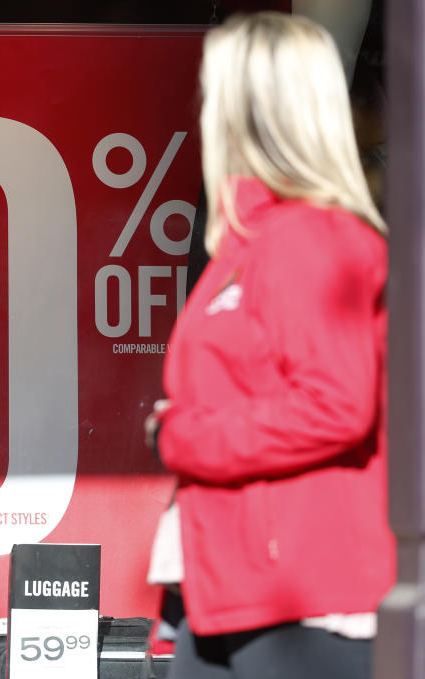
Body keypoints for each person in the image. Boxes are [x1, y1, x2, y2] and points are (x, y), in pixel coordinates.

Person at [144, 12, 393, 679]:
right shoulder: (249, 246)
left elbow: (337, 405)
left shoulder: (314, 240)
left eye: (212, 91)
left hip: (301, 594)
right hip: (229, 584)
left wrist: (186, 437)